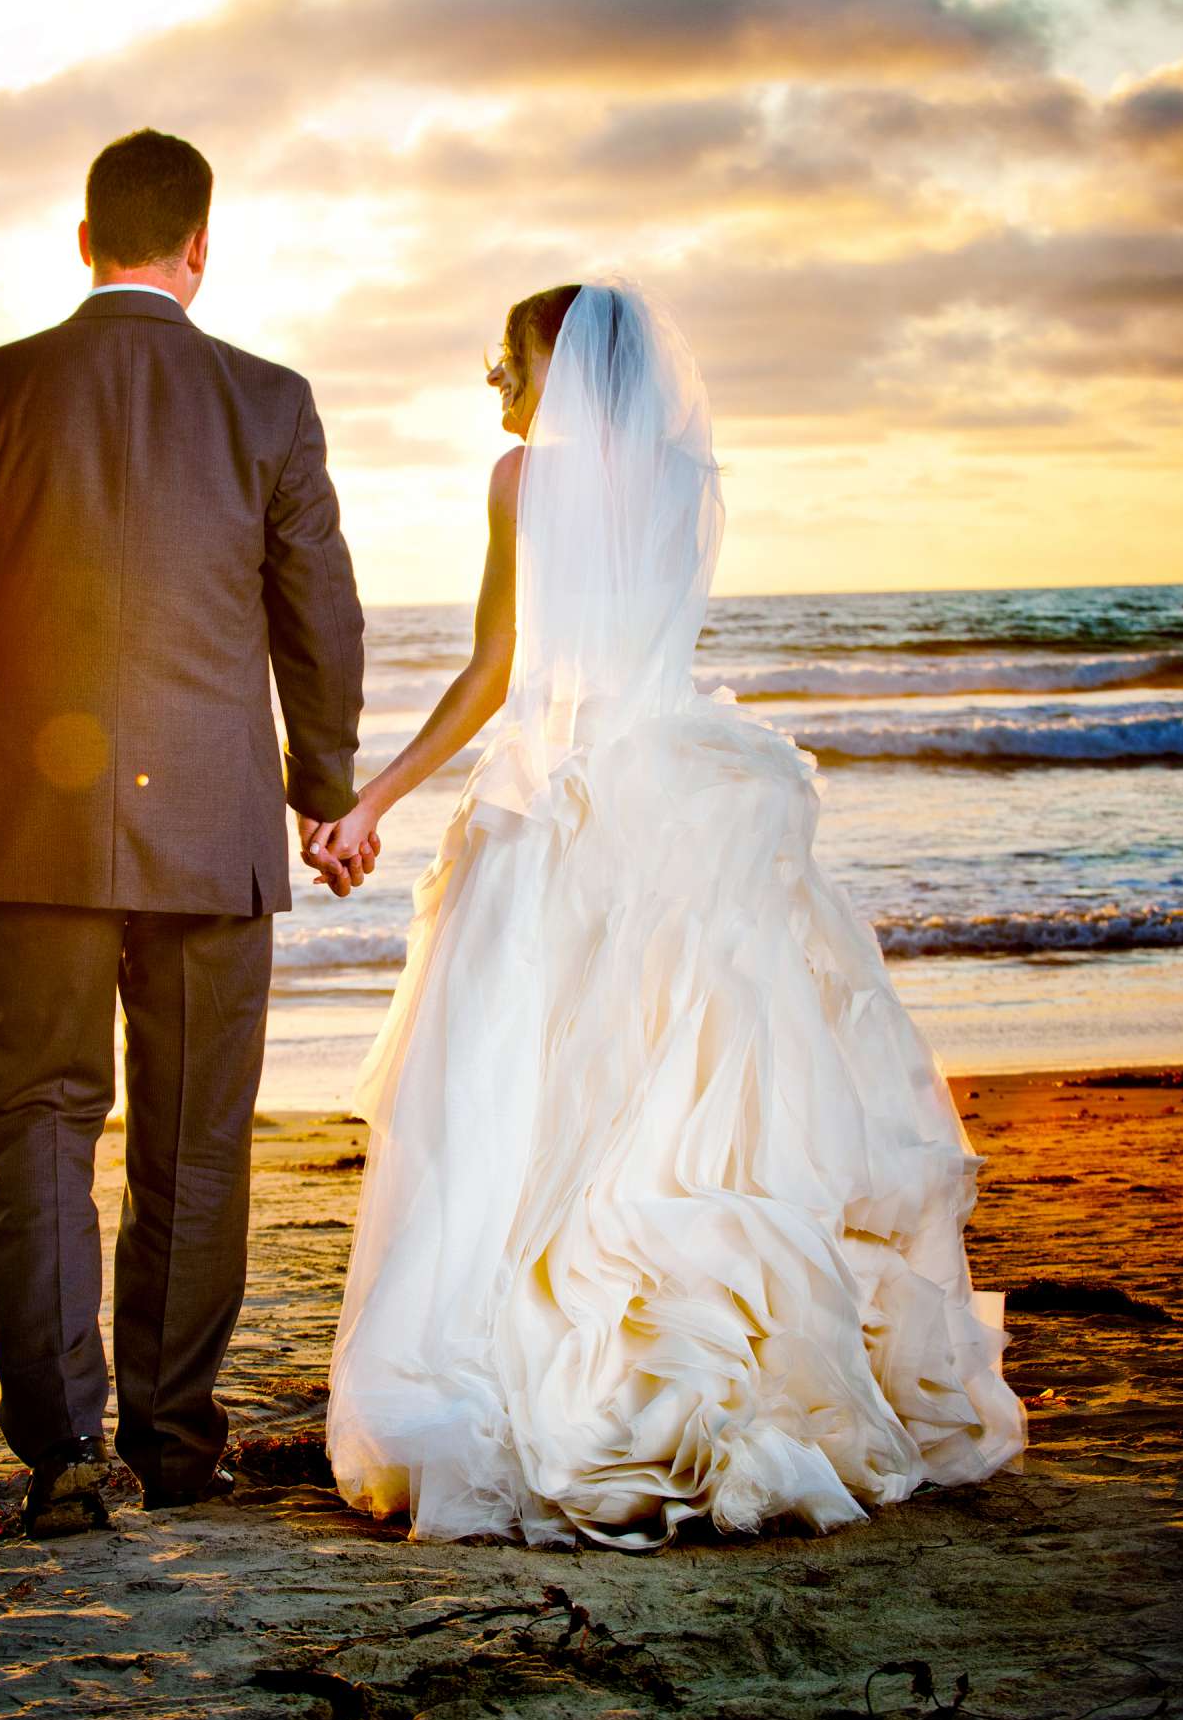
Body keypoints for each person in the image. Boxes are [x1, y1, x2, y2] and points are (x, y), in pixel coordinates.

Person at [312, 279, 1026, 1551]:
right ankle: (705, 1365)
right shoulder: (688, 483)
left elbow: (496, 674)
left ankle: (542, 1370)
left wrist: (373, 798)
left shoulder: (519, 482)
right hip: (685, 795)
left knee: (522, 1102)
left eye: (511, 358)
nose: (497, 381)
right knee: (683, 1096)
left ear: (569, 369)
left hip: (566, 809)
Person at [0, 127, 370, 1538]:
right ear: (199, 248)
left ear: (83, 236)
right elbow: (321, 619)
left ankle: (61, 1455)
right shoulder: (269, 402)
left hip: (34, 832)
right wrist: (322, 784)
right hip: (214, 831)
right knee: (195, 1140)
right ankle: (172, 1441)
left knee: (36, 1125)